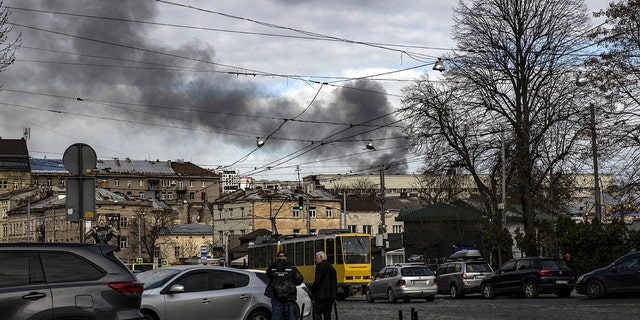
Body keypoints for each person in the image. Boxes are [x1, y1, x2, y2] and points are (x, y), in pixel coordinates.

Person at [266, 251, 303, 320]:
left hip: (276, 295)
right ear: (286, 257)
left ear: (277, 258)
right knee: (290, 316)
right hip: (289, 296)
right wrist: (291, 284)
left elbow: (269, 276)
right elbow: (299, 278)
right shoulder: (291, 267)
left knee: (275, 315)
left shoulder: (272, 267)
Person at [311, 251, 337, 320]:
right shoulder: (332, 268)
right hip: (330, 296)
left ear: (321, 257)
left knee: (317, 313)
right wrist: (334, 296)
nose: (315, 260)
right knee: (327, 314)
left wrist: (312, 291)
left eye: (316, 257)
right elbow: (334, 283)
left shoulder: (320, 266)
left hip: (321, 295)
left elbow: (317, 280)